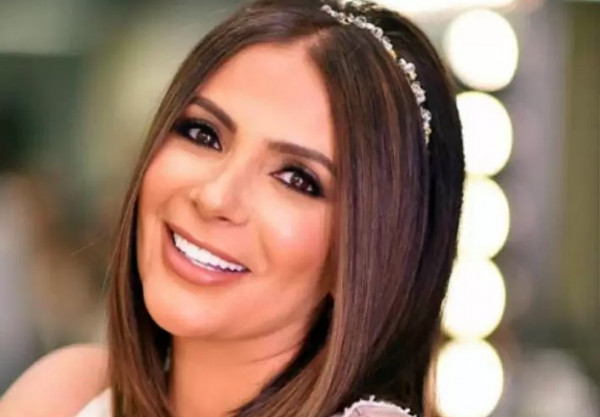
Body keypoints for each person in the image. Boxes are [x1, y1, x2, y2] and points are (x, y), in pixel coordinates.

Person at [0, 0, 465, 416]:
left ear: (377, 256)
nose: (215, 197)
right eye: (203, 134)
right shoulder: (65, 395)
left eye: (297, 179)